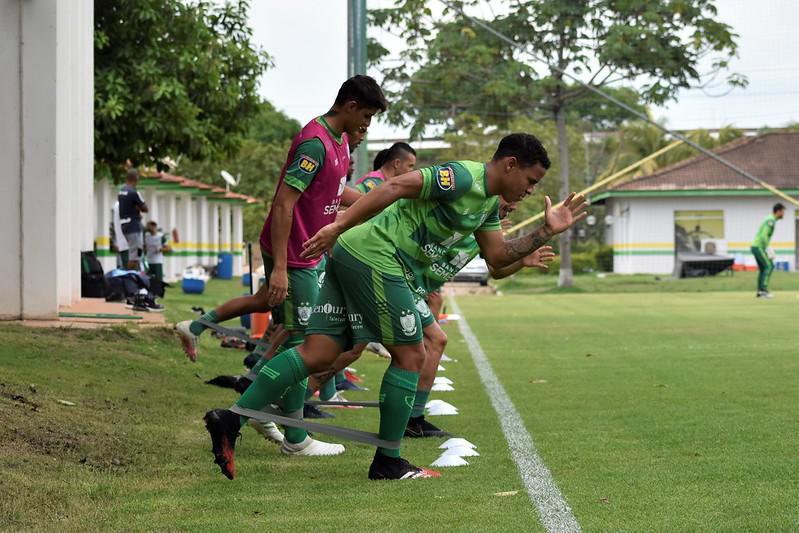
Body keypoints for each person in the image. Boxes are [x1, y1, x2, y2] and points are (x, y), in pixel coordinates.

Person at [203, 133, 587, 481]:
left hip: (357, 254)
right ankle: (388, 460)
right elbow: (399, 184)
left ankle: (231, 419)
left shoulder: (486, 205)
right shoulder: (463, 176)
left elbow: (498, 258)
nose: (531, 191)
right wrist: (339, 225)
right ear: (510, 165)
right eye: (531, 181)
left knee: (318, 351)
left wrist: (546, 232)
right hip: (377, 256)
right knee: (411, 354)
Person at [178, 75, 387, 457]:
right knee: (304, 341)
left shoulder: (340, 142)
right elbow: (283, 203)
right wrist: (278, 268)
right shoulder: (315, 141)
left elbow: (340, 196)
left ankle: (272, 416)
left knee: (296, 333)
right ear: (351, 105)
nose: (367, 125)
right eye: (368, 116)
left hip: (309, 253)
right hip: (293, 255)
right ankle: (287, 432)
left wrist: (387, 202)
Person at [751, 203, 785, 298]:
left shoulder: (770, 219)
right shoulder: (771, 220)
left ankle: (760, 291)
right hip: (759, 247)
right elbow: (764, 235)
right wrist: (767, 247)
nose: (783, 214)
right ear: (778, 211)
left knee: (763, 269)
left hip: (756, 246)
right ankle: (763, 290)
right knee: (769, 266)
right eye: (782, 212)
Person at [117, 168, 148, 270]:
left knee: (135, 253)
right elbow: (145, 208)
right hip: (133, 226)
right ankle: (129, 277)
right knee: (134, 255)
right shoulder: (134, 192)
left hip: (124, 225)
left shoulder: (121, 191)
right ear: (136, 178)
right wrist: (138, 208)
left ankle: (135, 275)